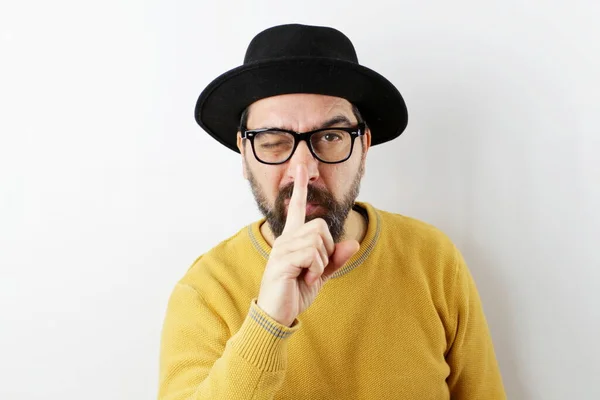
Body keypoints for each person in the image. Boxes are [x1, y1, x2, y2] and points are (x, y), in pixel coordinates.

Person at [157, 23, 506, 399]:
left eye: (330, 137)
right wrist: (269, 321)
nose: (304, 170)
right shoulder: (206, 291)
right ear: (244, 154)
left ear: (364, 146)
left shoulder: (433, 260)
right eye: (274, 142)